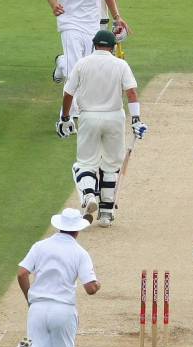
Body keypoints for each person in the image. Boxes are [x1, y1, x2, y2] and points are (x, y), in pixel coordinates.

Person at [9, 208, 101, 347]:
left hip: (37, 309)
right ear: (77, 231)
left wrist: (30, 299)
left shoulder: (40, 246)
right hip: (63, 311)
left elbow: (22, 273)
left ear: (59, 226)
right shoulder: (80, 253)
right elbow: (90, 288)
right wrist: (97, 285)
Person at [56, 29, 148, 227]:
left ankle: (89, 196)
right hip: (115, 117)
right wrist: (136, 119)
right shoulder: (120, 64)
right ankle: (106, 213)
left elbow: (68, 93)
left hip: (88, 117)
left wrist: (65, 117)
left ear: (94, 45)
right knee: (111, 165)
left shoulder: (82, 64)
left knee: (85, 164)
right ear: (113, 47)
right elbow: (131, 93)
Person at [45, 0, 130, 115]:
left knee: (85, 64)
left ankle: (61, 62)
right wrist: (54, 5)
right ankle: (69, 113)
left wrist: (117, 17)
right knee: (74, 68)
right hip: (70, 22)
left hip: (92, 24)